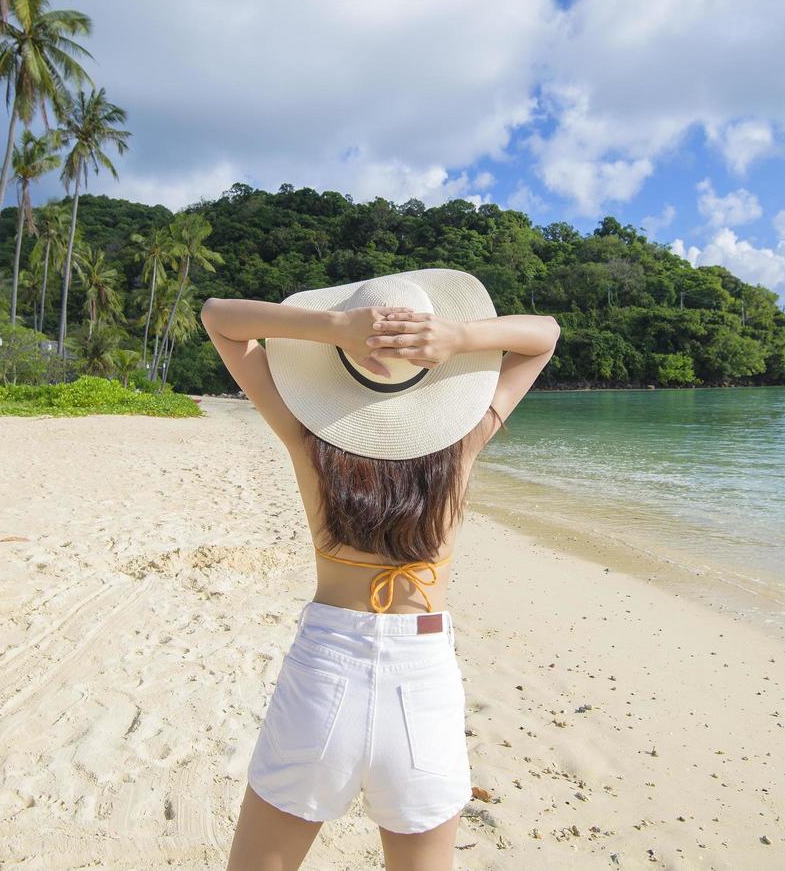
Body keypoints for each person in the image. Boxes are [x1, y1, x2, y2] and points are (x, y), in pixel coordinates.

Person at [201, 269, 560, 871]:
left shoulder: (307, 434)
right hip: (422, 677)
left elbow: (219, 317)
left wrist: (334, 328)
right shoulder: (463, 441)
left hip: (325, 667)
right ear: (432, 377)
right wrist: (458, 339)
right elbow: (544, 335)